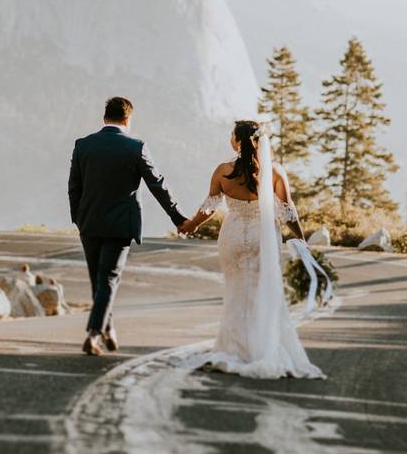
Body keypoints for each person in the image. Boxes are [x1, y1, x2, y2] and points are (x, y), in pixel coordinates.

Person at [179, 120, 324, 379]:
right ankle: (260, 348)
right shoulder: (275, 172)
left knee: (235, 291)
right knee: (262, 290)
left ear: (236, 141)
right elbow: (288, 212)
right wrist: (300, 239)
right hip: (263, 237)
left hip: (232, 237)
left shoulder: (223, 171)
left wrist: (190, 225)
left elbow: (209, 207)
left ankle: (232, 348)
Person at [68, 96, 188, 356]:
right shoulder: (136, 147)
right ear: (128, 119)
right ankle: (94, 334)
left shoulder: (83, 145)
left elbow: (74, 187)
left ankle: (107, 329)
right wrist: (177, 217)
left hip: (89, 223)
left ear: (104, 118)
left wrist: (78, 218)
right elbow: (157, 185)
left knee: (97, 281)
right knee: (108, 279)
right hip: (120, 225)